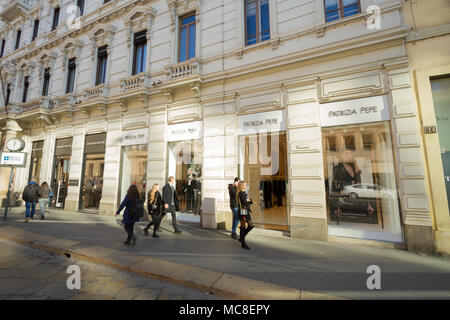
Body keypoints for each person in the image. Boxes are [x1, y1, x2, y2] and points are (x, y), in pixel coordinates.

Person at [237, 181, 254, 250]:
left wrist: (248, 200)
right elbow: (245, 202)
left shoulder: (244, 193)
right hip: (243, 211)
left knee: (250, 225)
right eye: (244, 184)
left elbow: (248, 201)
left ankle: (241, 238)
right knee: (244, 226)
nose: (246, 185)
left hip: (245, 211)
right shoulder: (240, 193)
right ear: (242, 186)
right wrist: (248, 200)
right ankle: (243, 243)